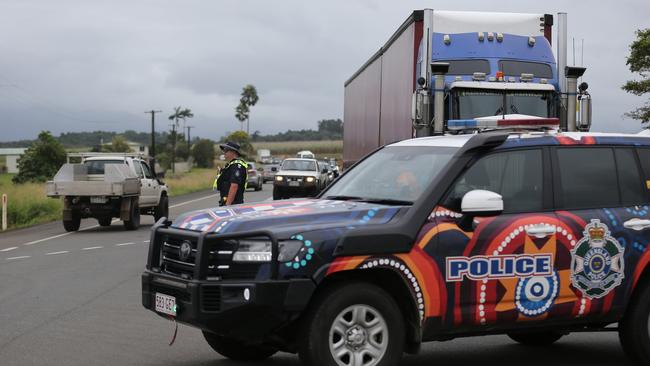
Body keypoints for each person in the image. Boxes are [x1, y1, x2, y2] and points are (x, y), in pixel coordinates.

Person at [213, 141, 248, 206]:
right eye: (224, 150)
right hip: (228, 202)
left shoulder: (236, 166)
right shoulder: (230, 165)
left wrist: (228, 205)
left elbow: (234, 186)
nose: (224, 152)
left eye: (226, 150)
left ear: (233, 152)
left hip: (233, 205)